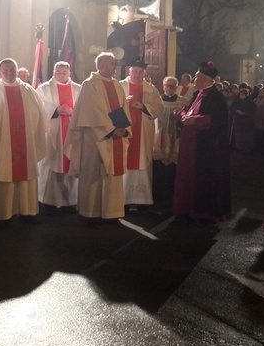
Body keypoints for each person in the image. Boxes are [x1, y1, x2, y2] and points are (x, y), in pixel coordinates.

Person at [64, 52, 131, 222]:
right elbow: (93, 111)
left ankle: (112, 213)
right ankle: (90, 214)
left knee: (112, 176)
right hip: (95, 138)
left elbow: (123, 108)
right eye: (111, 64)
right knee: (93, 174)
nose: (115, 67)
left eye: (114, 63)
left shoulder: (116, 85)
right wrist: (110, 130)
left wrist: (123, 128)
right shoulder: (90, 84)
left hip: (114, 136)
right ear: (101, 65)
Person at [0, 58, 47, 221]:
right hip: (3, 143)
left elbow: (40, 114)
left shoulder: (28, 90)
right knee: (4, 173)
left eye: (12, 69)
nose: (9, 73)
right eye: (5, 70)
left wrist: (33, 131)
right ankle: (3, 214)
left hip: (26, 141)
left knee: (26, 175)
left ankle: (27, 211)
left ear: (17, 70)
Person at [173, 61, 231, 223]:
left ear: (206, 79)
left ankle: (202, 212)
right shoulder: (196, 94)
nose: (194, 79)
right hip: (189, 143)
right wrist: (181, 114)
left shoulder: (216, 97)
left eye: (197, 76)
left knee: (202, 178)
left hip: (205, 147)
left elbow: (218, 121)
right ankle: (185, 208)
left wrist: (195, 120)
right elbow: (188, 109)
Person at [36, 61, 81, 212]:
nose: (61, 75)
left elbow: (84, 107)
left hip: (72, 133)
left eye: (64, 72)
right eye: (58, 72)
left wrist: (72, 111)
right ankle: (48, 201)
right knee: (51, 165)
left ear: (69, 73)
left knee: (71, 162)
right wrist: (55, 109)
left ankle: (70, 201)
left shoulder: (78, 88)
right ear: (53, 73)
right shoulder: (44, 88)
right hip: (53, 133)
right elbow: (39, 106)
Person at [120, 57, 164, 211]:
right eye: (135, 71)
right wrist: (124, 102)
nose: (137, 74)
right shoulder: (120, 86)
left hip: (143, 133)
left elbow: (158, 108)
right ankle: (123, 200)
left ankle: (142, 201)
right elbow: (111, 107)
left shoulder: (151, 89)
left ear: (144, 73)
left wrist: (144, 106)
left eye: (140, 72)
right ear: (129, 71)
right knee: (123, 161)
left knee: (143, 162)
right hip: (124, 131)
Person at [153, 76, 188, 208]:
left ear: (177, 87)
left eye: (172, 86)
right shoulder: (157, 101)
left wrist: (180, 117)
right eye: (167, 85)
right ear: (163, 86)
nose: (169, 88)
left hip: (176, 138)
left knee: (173, 169)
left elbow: (187, 118)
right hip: (159, 137)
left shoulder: (183, 101)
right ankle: (158, 197)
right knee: (159, 169)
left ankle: (172, 197)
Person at [229, 88, 255, 153]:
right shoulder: (237, 101)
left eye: (243, 94)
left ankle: (246, 149)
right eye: (240, 94)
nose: (241, 95)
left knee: (246, 136)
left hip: (247, 122)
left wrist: (244, 113)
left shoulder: (250, 102)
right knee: (239, 136)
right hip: (238, 122)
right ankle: (239, 148)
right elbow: (232, 108)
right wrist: (236, 111)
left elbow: (252, 111)